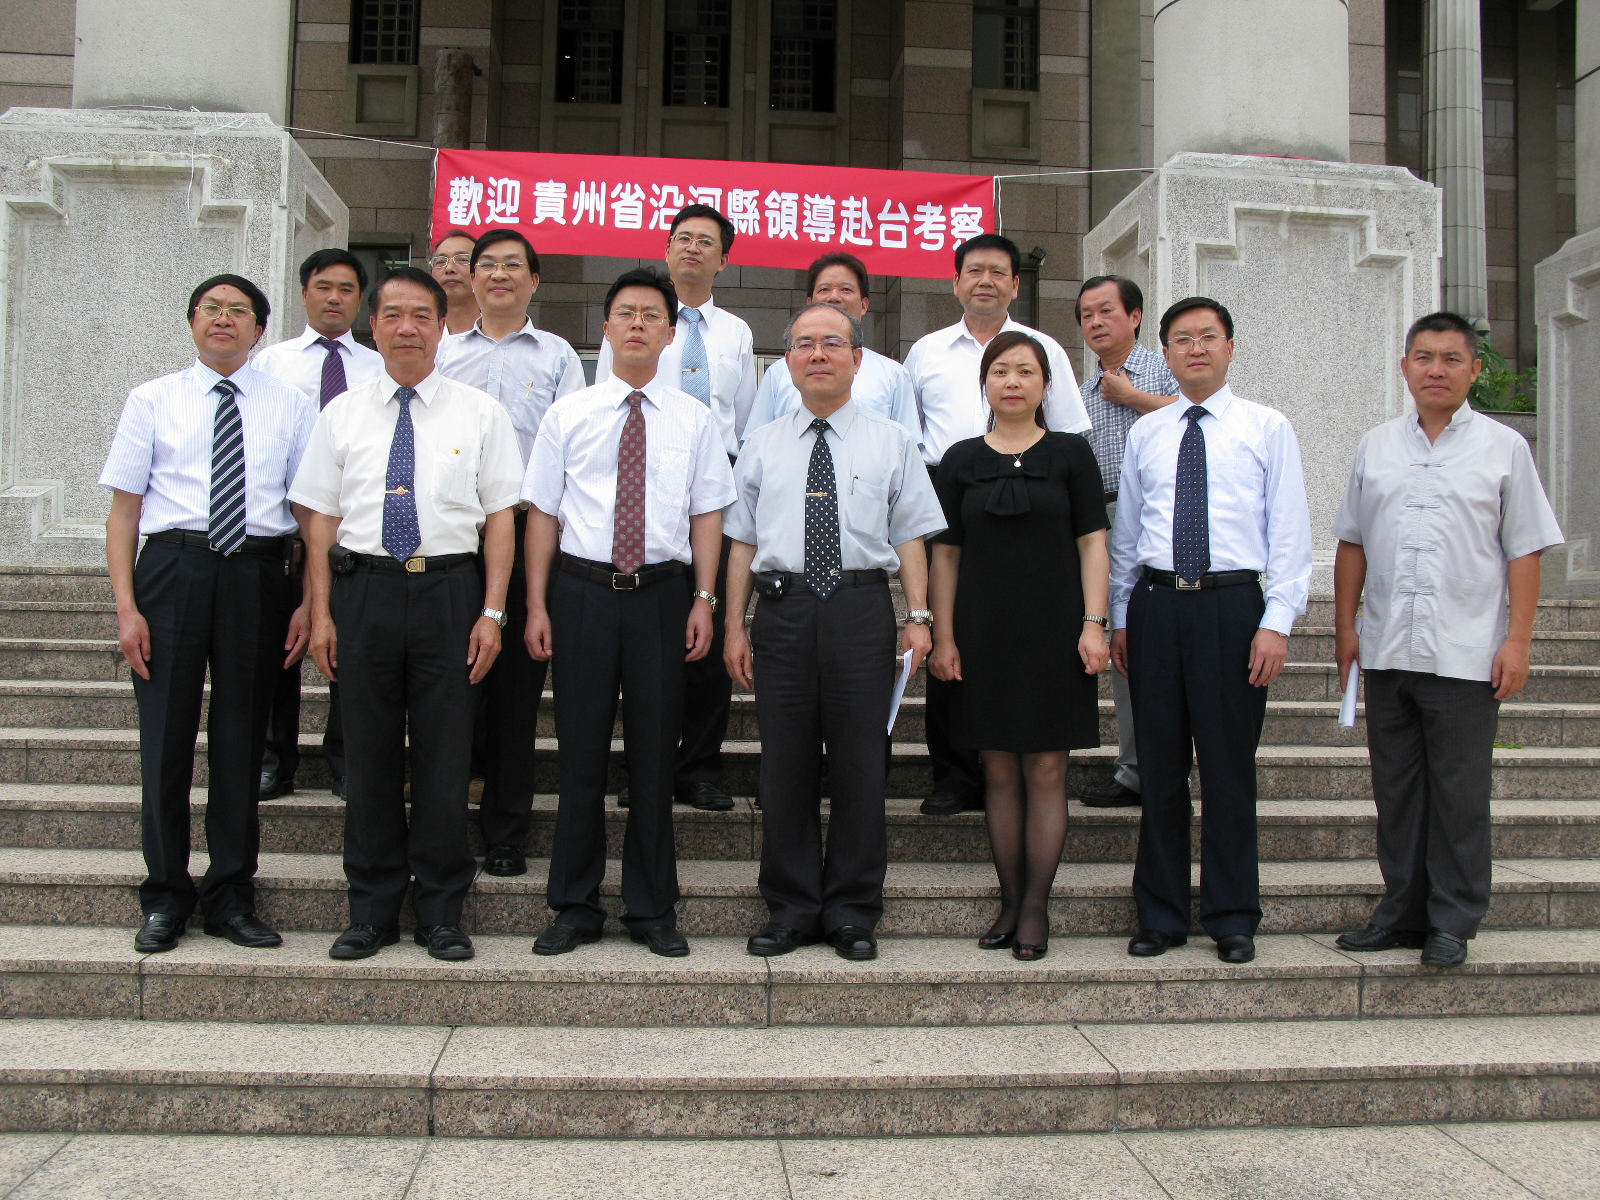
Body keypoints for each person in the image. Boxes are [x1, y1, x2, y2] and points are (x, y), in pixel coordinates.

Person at [290, 266, 522, 963]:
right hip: (364, 592)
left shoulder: (479, 412)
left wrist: (492, 613)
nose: (407, 328)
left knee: (447, 757)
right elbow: (320, 523)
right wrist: (322, 614)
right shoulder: (343, 414)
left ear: (442, 324)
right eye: (393, 315)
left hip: (451, 591)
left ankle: (442, 910)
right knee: (368, 755)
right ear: (373, 324)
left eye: (422, 315)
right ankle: (371, 909)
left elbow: (503, 519)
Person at [1332, 312, 1563, 968]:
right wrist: (1346, 627)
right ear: (1405, 366)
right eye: (1424, 357)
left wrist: (1517, 642)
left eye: (1451, 359)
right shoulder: (1377, 445)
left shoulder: (1503, 449)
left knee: (1461, 793)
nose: (1436, 369)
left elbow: (1523, 552)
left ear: (1474, 370)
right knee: (1397, 789)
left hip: (1465, 652)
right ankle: (1401, 910)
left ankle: (1453, 918)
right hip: (1387, 648)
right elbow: (1352, 540)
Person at [100, 274, 317, 954]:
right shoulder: (152, 399)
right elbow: (123, 514)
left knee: (240, 739)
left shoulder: (291, 403)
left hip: (258, 571)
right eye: (211, 310)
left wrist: (312, 599)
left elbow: (311, 513)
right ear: (193, 322)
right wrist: (126, 608)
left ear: (260, 329)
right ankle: (166, 895)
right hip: (173, 570)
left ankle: (230, 894)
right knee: (164, 739)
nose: (224, 320)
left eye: (239, 312)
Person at [523, 267, 735, 959]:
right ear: (606, 327)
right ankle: (574, 904)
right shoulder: (569, 414)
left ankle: (651, 907)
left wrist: (705, 598)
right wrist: (536, 602)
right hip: (581, 594)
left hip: (663, 597)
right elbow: (544, 515)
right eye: (625, 313)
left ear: (671, 333)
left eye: (652, 315)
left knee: (653, 756)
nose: (638, 324)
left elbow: (708, 514)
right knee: (580, 754)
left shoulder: (694, 419)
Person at [726, 303, 945, 962]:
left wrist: (919, 615)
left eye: (832, 343)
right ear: (786, 361)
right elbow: (740, 542)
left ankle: (852, 909)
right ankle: (791, 907)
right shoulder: (761, 444)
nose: (818, 354)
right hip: (783, 612)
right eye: (803, 344)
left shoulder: (891, 441)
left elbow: (910, 532)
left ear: (857, 356)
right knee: (784, 765)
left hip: (859, 611)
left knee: (859, 762)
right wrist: (735, 624)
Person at [1110, 297, 1312, 965]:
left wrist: (1276, 623)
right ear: (1163, 353)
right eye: (1181, 340)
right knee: (1160, 768)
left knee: (1228, 769)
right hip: (1158, 604)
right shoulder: (1150, 431)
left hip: (1232, 609)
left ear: (1229, 347)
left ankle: (1232, 915)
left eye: (1208, 337)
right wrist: (1120, 616)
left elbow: (1289, 535)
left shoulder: (1267, 426)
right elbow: (1129, 536)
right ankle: (1161, 914)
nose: (1194, 349)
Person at [929, 331, 1110, 960]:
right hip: (982, 631)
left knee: (1047, 767)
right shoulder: (958, 460)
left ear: (1044, 385)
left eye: (1025, 371)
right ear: (984, 383)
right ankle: (1009, 901)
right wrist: (943, 635)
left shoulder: (1070, 456)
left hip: (1055, 628)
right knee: (997, 769)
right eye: (1000, 371)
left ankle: (1037, 906)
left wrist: (1095, 622)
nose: (1012, 381)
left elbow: (1093, 543)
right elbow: (944, 555)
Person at [904, 233, 1090, 818]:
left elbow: (1066, 433)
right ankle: (954, 775)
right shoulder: (927, 351)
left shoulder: (1046, 349)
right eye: (973, 271)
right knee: (951, 630)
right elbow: (906, 434)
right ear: (955, 282)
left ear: (1014, 283)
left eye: (997, 273)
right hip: (948, 485)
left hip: (1035, 494)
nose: (985, 281)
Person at [436, 228, 585, 878]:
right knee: (448, 688)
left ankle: (505, 831)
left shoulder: (557, 357)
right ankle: (443, 828)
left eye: (512, 266)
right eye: (486, 265)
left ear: (534, 281)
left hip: (527, 533)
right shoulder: (440, 356)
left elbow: (573, 454)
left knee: (517, 694)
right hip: (452, 535)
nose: (498, 275)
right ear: (469, 278)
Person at [598, 204, 756, 814]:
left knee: (710, 635)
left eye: (705, 242)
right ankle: (643, 767)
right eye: (682, 239)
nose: (692, 249)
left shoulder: (737, 334)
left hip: (713, 496)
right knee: (645, 647)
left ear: (724, 258)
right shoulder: (641, 321)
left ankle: (699, 768)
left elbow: (739, 418)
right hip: (648, 497)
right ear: (667, 249)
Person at [254, 248, 386, 804]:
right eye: (323, 287)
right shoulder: (269, 364)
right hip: (277, 530)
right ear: (304, 293)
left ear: (361, 302)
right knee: (270, 650)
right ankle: (271, 759)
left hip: (350, 529)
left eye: (347, 290)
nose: (335, 298)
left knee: (347, 650)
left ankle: (345, 760)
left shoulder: (379, 365)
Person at [1076, 275, 1179, 809]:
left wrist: (1133, 396)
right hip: (1104, 523)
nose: (1096, 322)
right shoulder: (1079, 392)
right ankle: (1135, 769)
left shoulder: (1169, 370)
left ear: (1135, 316)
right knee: (1122, 644)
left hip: (1165, 522)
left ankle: (1169, 768)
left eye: (1106, 311)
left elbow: (1199, 425)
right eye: (1087, 314)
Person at [743, 252, 921, 445]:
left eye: (846, 289)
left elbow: (908, 447)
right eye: (825, 289)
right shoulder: (779, 372)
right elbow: (755, 442)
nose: (834, 297)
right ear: (810, 303)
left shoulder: (894, 375)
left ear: (864, 305)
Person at [429, 229, 481, 335]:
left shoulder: (505, 335)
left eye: (462, 259)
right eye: (440, 261)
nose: (449, 268)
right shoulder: (419, 335)